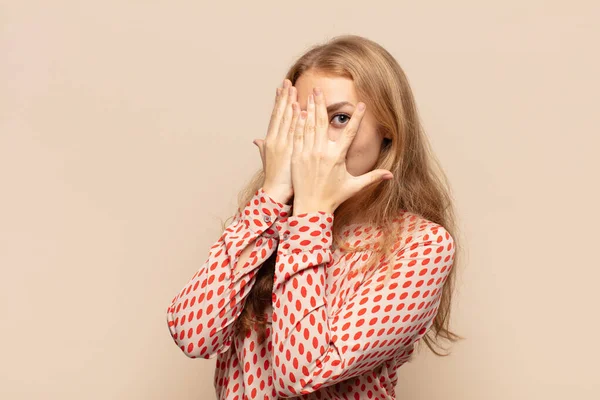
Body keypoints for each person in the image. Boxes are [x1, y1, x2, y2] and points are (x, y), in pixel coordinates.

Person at [166, 34, 463, 399]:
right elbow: (193, 333)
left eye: (339, 118)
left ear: (388, 130)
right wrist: (273, 196)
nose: (316, 140)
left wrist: (311, 211)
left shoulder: (421, 244)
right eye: (302, 120)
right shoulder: (270, 219)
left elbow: (300, 374)